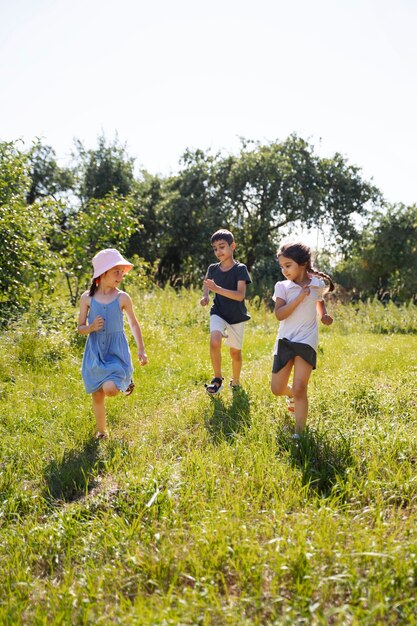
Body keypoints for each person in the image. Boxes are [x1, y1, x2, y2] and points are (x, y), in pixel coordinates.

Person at [78, 248, 148, 439]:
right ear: (103, 273)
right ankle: (102, 431)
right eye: (116, 271)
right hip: (95, 351)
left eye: (122, 271)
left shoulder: (122, 298)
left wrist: (141, 350)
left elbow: (134, 323)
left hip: (116, 351)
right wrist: (91, 327)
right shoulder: (87, 298)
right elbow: (80, 328)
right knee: (97, 393)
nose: (121, 275)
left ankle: (125, 379)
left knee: (109, 389)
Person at [270, 241, 334, 438]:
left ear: (303, 263)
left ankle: (299, 434)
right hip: (285, 341)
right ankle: (290, 395)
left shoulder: (317, 284)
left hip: (307, 340)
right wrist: (298, 298)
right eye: (282, 266)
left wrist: (323, 314)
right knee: (277, 388)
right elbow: (280, 314)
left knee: (300, 387)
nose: (284, 270)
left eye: (288, 266)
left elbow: (319, 301)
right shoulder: (282, 287)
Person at [200, 229, 251, 394]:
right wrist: (206, 295)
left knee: (235, 353)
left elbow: (239, 295)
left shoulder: (240, 269)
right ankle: (217, 379)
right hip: (218, 312)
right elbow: (207, 283)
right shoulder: (213, 268)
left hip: (236, 317)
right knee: (214, 340)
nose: (218, 251)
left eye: (222, 247)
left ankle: (235, 382)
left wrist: (217, 289)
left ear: (233, 246)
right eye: (215, 248)